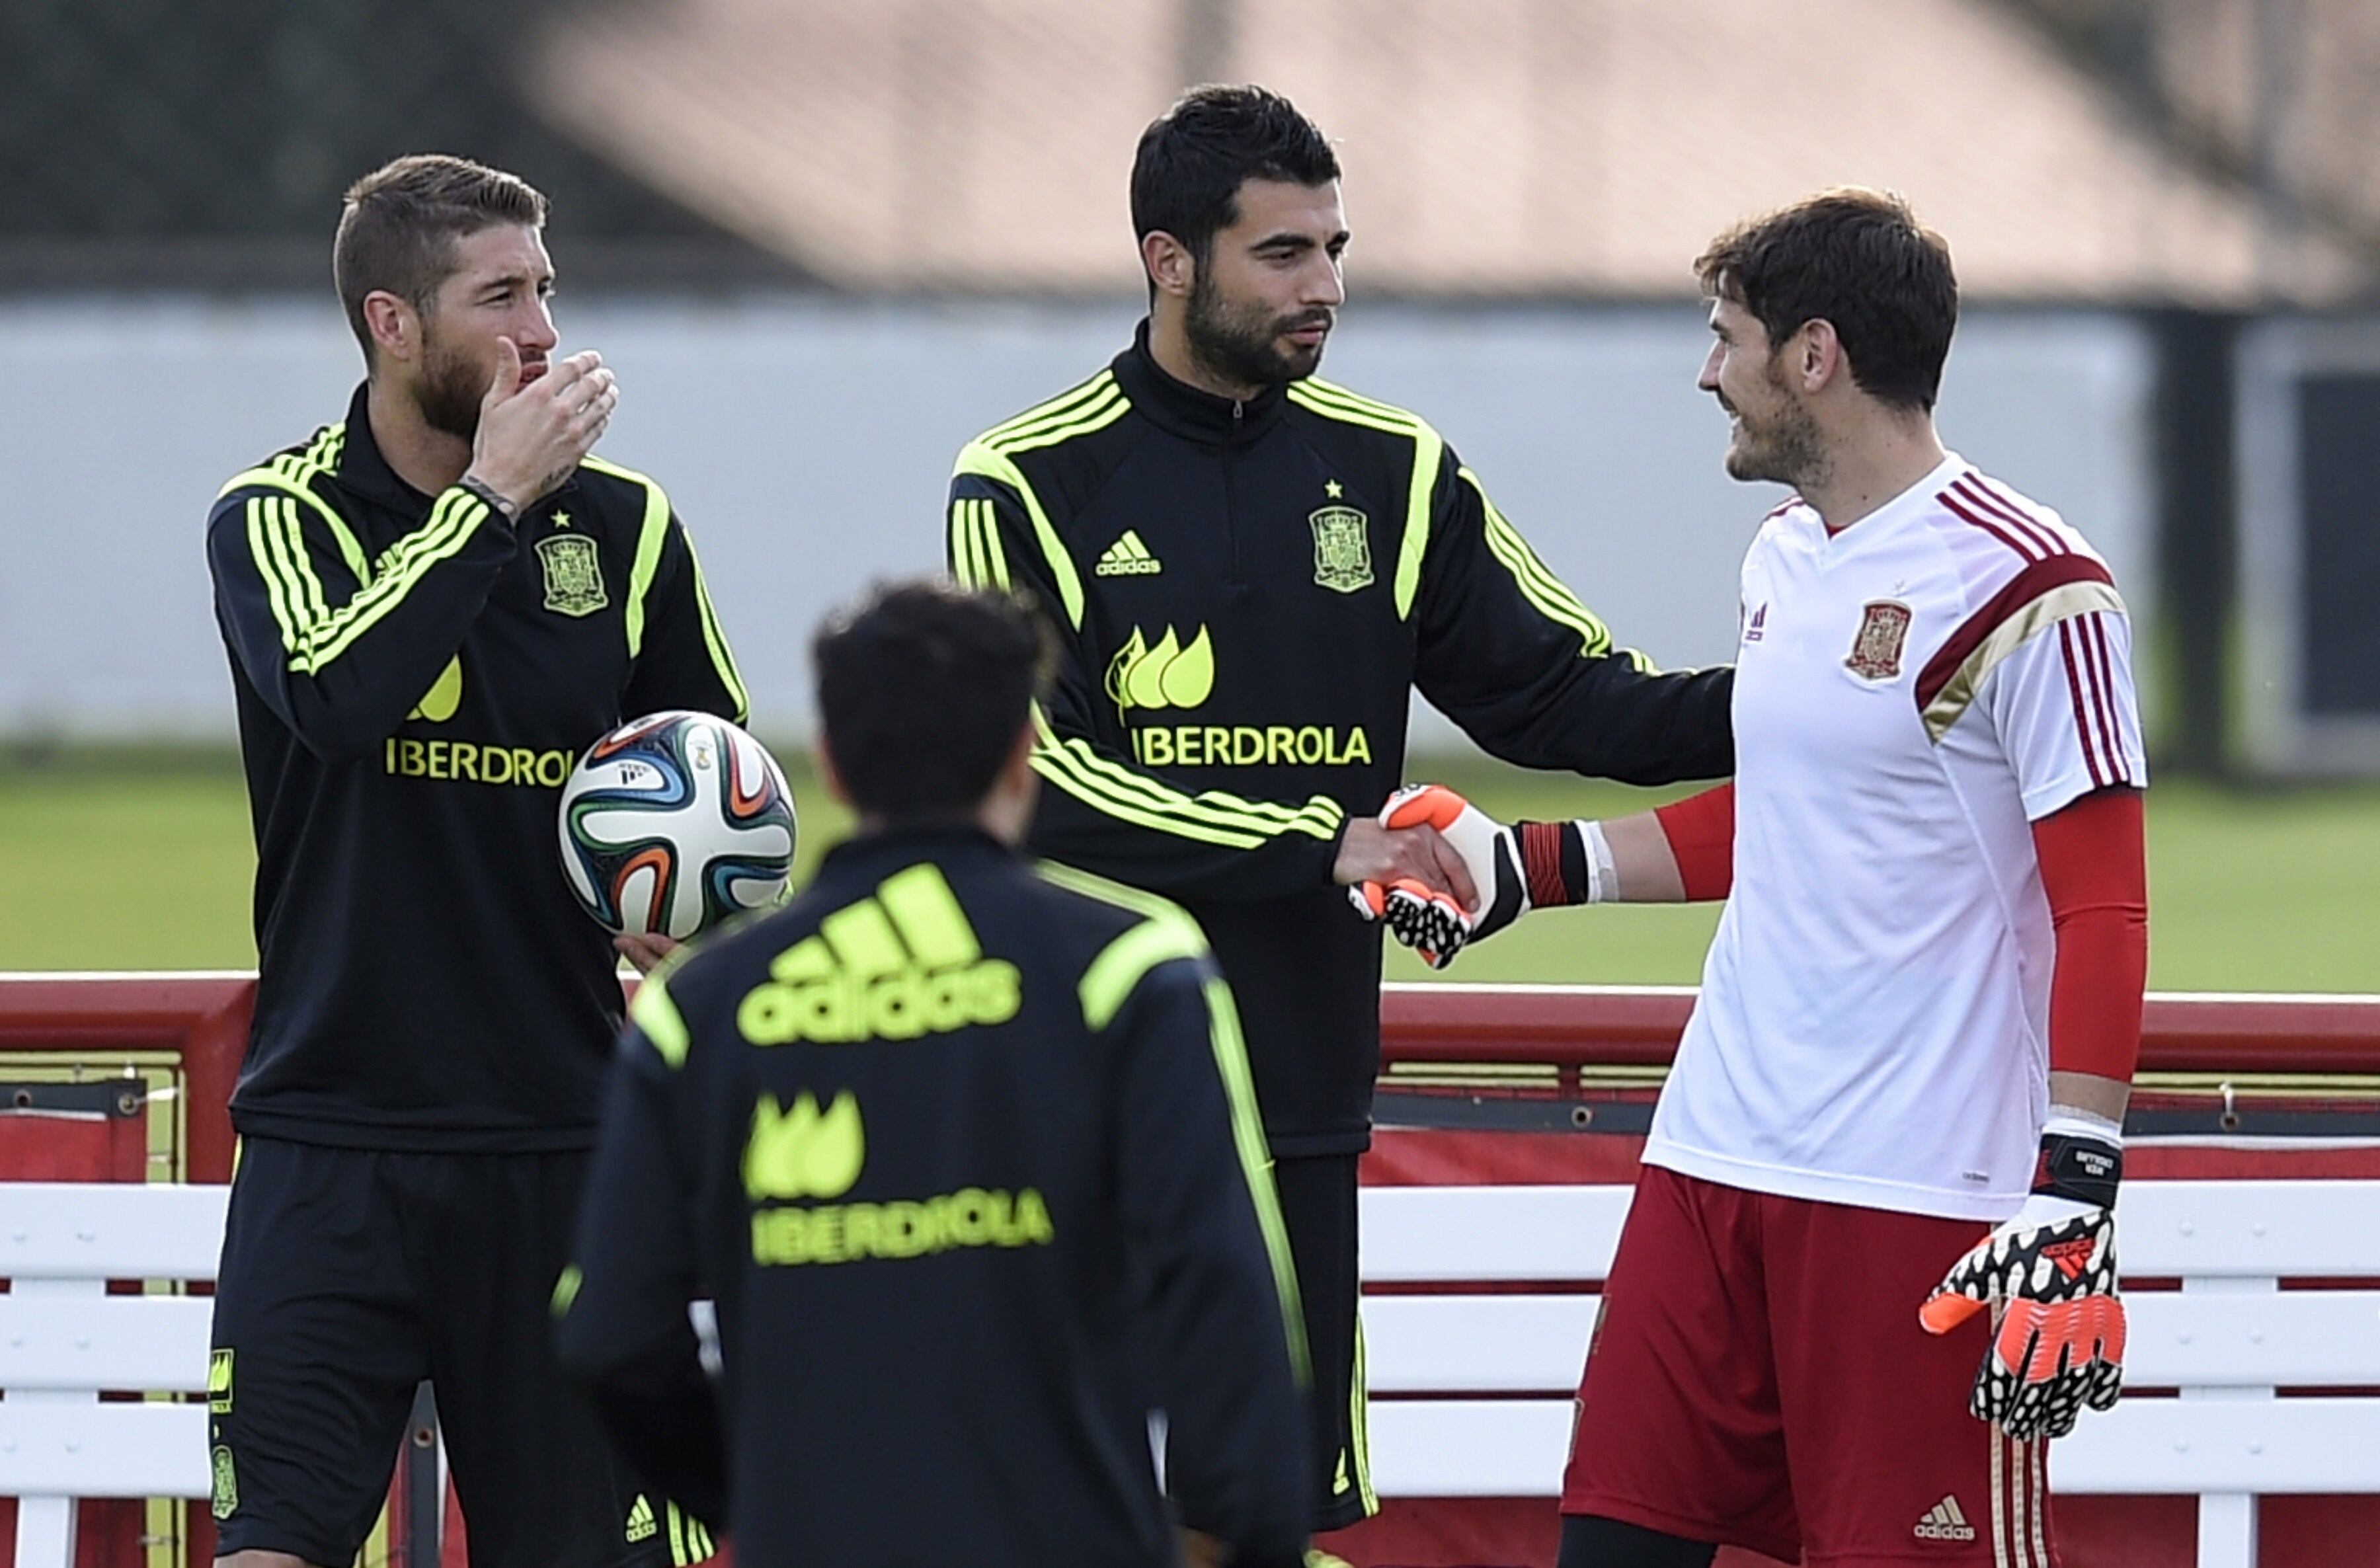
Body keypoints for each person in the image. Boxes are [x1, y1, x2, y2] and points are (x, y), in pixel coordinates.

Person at [943, 84, 1736, 1537]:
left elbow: (1565, 696)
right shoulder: (1027, 480)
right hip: (1077, 1080)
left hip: (1299, 1083)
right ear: (1169, 261)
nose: (1326, 290)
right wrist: (1320, 837)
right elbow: (1039, 780)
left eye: (1333, 249)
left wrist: (1794, 705)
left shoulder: (1393, 472)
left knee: (1260, 1510)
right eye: (1284, 255)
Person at [1378, 190, 2145, 1567]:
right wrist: (1526, 868)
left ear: (1814, 356)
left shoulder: (2039, 585)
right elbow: (1795, 809)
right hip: (1713, 1151)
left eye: (1726, 337)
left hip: (1921, 1191)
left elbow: (2105, 902)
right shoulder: (1783, 559)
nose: (1706, 371)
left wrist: (2074, 1187)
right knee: (1614, 1545)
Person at [204, 153, 746, 1568]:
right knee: (275, 1545)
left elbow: (717, 772)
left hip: (567, 1144)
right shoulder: (278, 519)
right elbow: (336, 696)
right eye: (499, 296)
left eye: (547, 291)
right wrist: (487, 504)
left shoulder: (628, 533)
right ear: (393, 323)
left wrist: (700, 895)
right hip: (332, 1140)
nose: (542, 335)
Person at [553, 580, 1311, 1567]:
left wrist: (768, 1491)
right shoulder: (1132, 967)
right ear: (1022, 758)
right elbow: (1228, 1305)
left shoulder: (705, 1005)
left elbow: (608, 1333)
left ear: (829, 764)